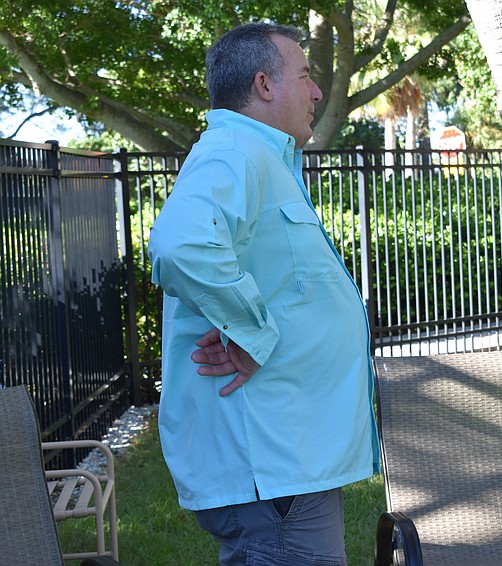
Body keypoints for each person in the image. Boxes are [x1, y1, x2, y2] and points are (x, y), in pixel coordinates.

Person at [147, 22, 379, 566]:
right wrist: (249, 332)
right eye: (305, 76)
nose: (317, 91)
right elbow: (182, 246)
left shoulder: (259, 158)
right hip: (274, 473)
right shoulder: (234, 151)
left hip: (287, 465)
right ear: (264, 85)